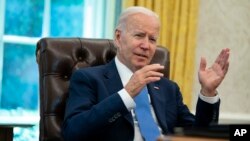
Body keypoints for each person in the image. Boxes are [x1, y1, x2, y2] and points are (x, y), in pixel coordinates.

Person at [62, 6, 230, 141]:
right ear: (118, 38)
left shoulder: (167, 88)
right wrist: (127, 95)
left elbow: (199, 135)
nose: (146, 45)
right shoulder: (88, 79)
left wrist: (208, 93)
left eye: (152, 39)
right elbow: (73, 132)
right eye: (139, 35)